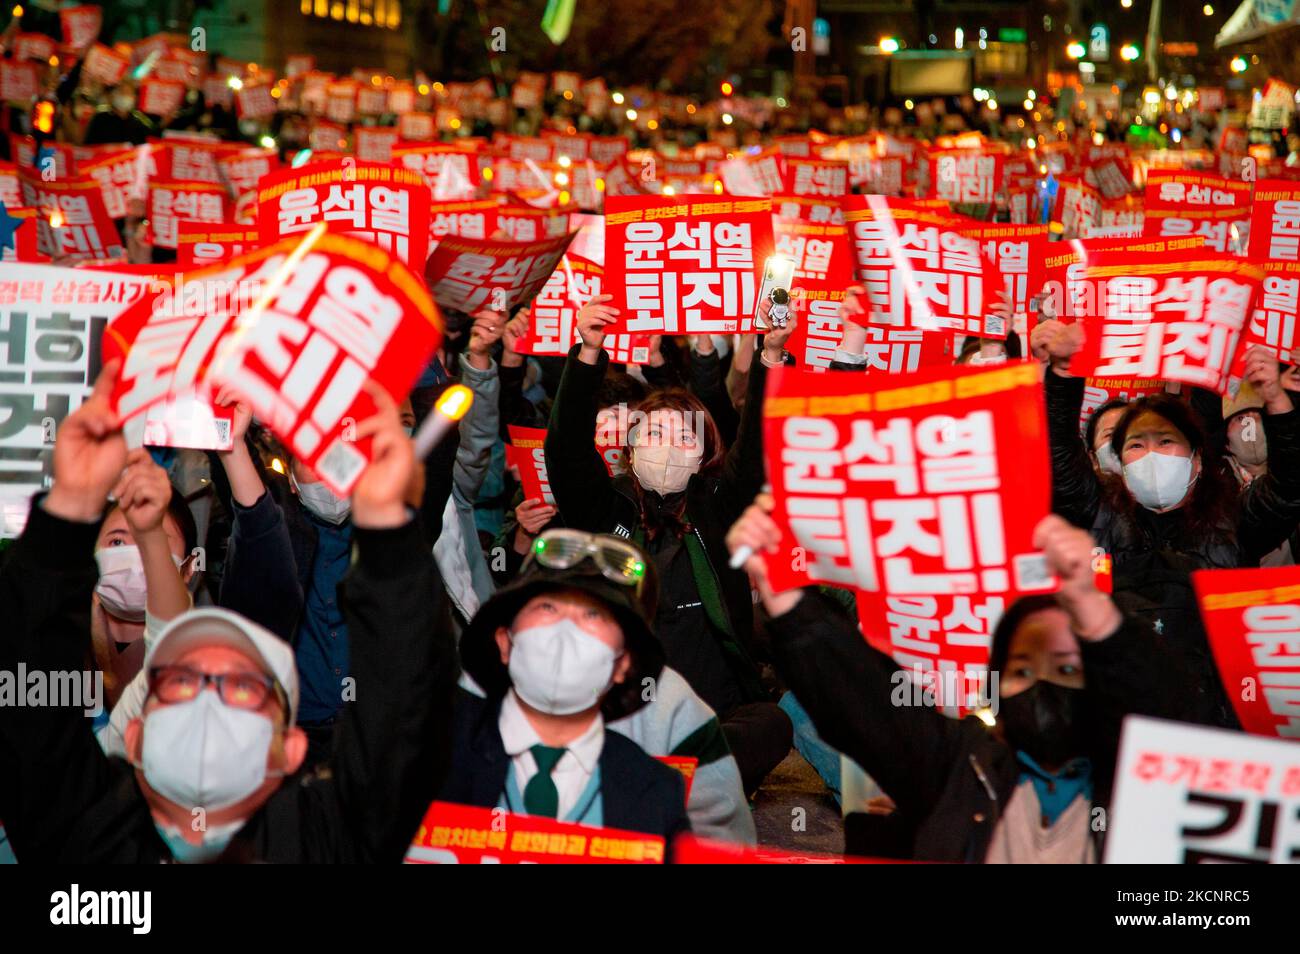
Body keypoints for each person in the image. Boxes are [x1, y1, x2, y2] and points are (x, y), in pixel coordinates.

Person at [0, 367, 458, 862]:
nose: (209, 699)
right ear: (132, 736)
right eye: (180, 682)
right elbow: (29, 697)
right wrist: (70, 505)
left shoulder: (322, 846)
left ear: (291, 749)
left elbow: (405, 717)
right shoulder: (86, 841)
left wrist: (389, 530)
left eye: (244, 686)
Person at [726, 496, 1188, 862]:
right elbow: (867, 703)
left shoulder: (1140, 781)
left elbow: (1173, 710)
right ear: (997, 687)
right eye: (1022, 669)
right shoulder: (961, 766)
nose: (1043, 683)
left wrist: (1096, 614)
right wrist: (789, 602)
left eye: (1066, 668)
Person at [545, 293, 795, 795]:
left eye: (685, 436)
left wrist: (770, 354)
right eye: (655, 431)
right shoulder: (606, 507)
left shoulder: (717, 509)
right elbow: (566, 449)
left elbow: (756, 448)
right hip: (617, 703)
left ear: (704, 455)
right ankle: (673, 783)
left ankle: (673, 780)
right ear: (632, 445)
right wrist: (589, 351)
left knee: (772, 724)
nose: (667, 443)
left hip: (708, 713)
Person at [1036, 320, 1300, 725]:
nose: (1152, 454)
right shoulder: (1099, 513)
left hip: (1212, 718)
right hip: (1115, 716)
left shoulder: (1234, 520)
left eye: (1165, 441)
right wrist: (1065, 373)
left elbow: (1290, 487)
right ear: (1119, 464)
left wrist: (1278, 403)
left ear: (1196, 458)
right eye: (1136, 445)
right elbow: (1057, 458)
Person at [439, 528, 690, 841]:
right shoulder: (432, 749)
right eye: (548, 607)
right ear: (504, 640)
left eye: (593, 615)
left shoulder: (655, 793)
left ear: (623, 664)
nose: (567, 627)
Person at [89, 449, 198, 713]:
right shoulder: (54, 637)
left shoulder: (201, 658)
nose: (133, 563)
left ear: (188, 568)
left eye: (153, 542)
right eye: (117, 541)